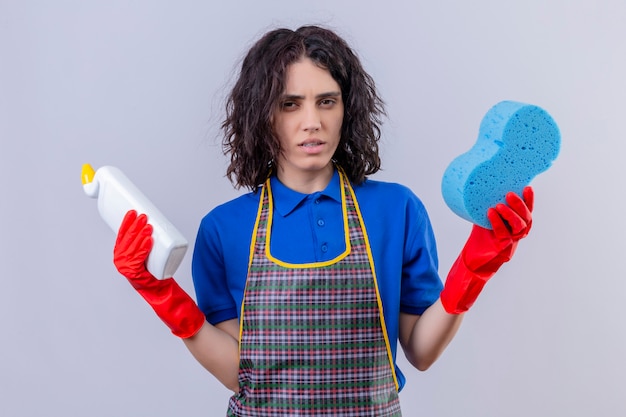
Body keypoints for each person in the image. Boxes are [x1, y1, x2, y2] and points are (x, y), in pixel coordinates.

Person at [112, 25, 534, 416]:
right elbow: (239, 374)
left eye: (326, 101)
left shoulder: (396, 210)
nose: (312, 122)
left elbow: (421, 352)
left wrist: (476, 265)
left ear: (346, 109)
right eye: (290, 104)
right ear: (263, 116)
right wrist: (159, 292)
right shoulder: (224, 229)